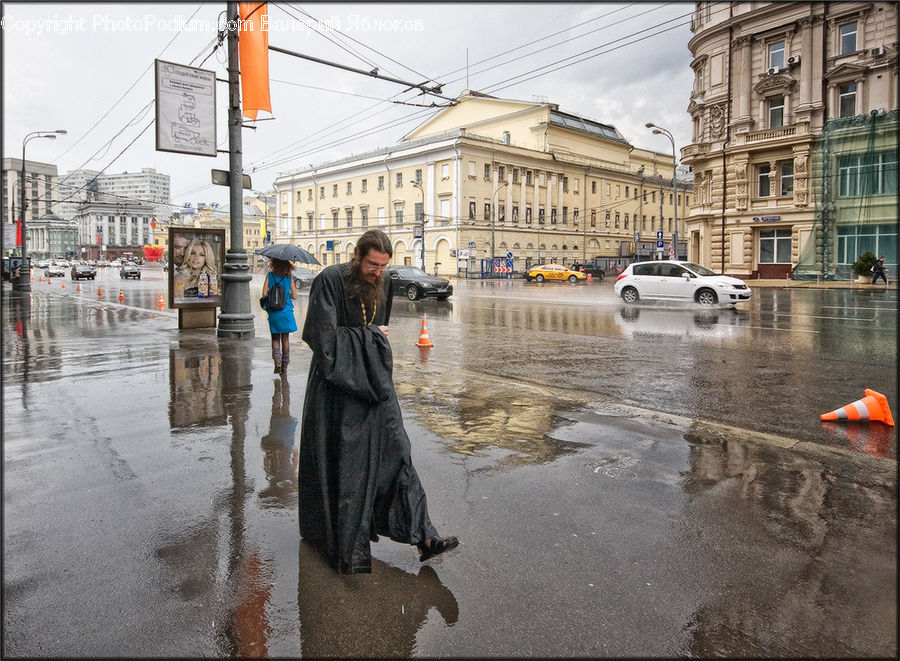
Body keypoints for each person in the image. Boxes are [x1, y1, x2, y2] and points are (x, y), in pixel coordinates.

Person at [298, 228, 459, 574]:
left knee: (398, 455)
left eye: (383, 267)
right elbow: (322, 340)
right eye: (372, 265)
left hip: (375, 387)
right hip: (338, 394)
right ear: (358, 256)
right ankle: (349, 551)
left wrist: (371, 339)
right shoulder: (329, 280)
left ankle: (425, 537)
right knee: (351, 470)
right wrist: (369, 336)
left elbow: (378, 336)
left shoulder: (382, 283)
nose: (377, 273)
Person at [261, 257, 298, 373]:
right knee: (285, 338)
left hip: (274, 311)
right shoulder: (289, 277)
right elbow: (295, 296)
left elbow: (264, 293)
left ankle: (277, 362)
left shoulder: (270, 275)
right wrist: (287, 295)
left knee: (275, 337)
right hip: (286, 310)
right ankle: (285, 366)